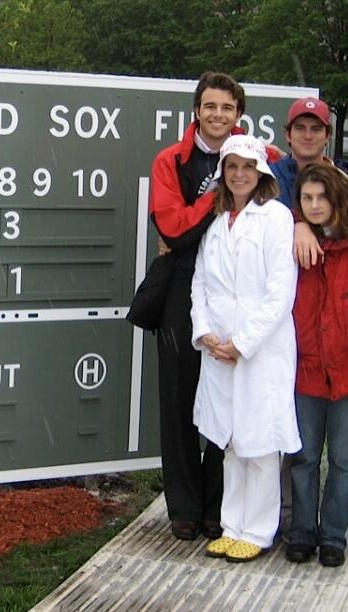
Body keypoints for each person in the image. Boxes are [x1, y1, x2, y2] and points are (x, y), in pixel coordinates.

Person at [147, 71, 249, 541]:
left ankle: (219, 504)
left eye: (227, 108)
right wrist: (216, 196)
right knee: (181, 399)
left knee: (229, 398)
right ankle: (184, 505)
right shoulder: (171, 161)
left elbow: (297, 183)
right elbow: (173, 230)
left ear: (238, 115)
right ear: (196, 111)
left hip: (234, 289)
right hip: (182, 286)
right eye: (210, 106)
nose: (218, 116)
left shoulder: (255, 157)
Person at [190, 135, 300, 563]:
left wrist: (243, 342)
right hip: (218, 351)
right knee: (231, 442)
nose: (239, 174)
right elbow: (200, 282)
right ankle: (231, 525)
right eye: (231, 166)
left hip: (260, 351)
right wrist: (206, 334)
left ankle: (258, 530)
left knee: (259, 443)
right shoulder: (216, 224)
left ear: (261, 174)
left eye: (247, 167)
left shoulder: (275, 218)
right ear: (222, 173)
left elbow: (279, 292)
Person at [285, 163, 348, 568]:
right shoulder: (292, 242)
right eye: (307, 198)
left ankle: (334, 534)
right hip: (306, 369)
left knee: (342, 459)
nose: (315, 205)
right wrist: (295, 224)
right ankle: (302, 529)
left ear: (337, 198)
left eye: (322, 197)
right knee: (304, 456)